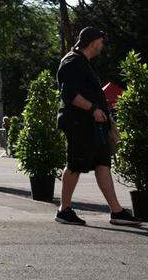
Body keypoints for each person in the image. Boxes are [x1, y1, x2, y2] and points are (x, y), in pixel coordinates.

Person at [55, 27, 141, 226]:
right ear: (93, 42)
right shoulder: (72, 61)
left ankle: (116, 211)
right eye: (101, 42)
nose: (102, 46)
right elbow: (69, 95)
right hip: (79, 124)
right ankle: (64, 210)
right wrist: (93, 108)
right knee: (75, 164)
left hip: (93, 125)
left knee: (103, 163)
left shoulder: (82, 62)